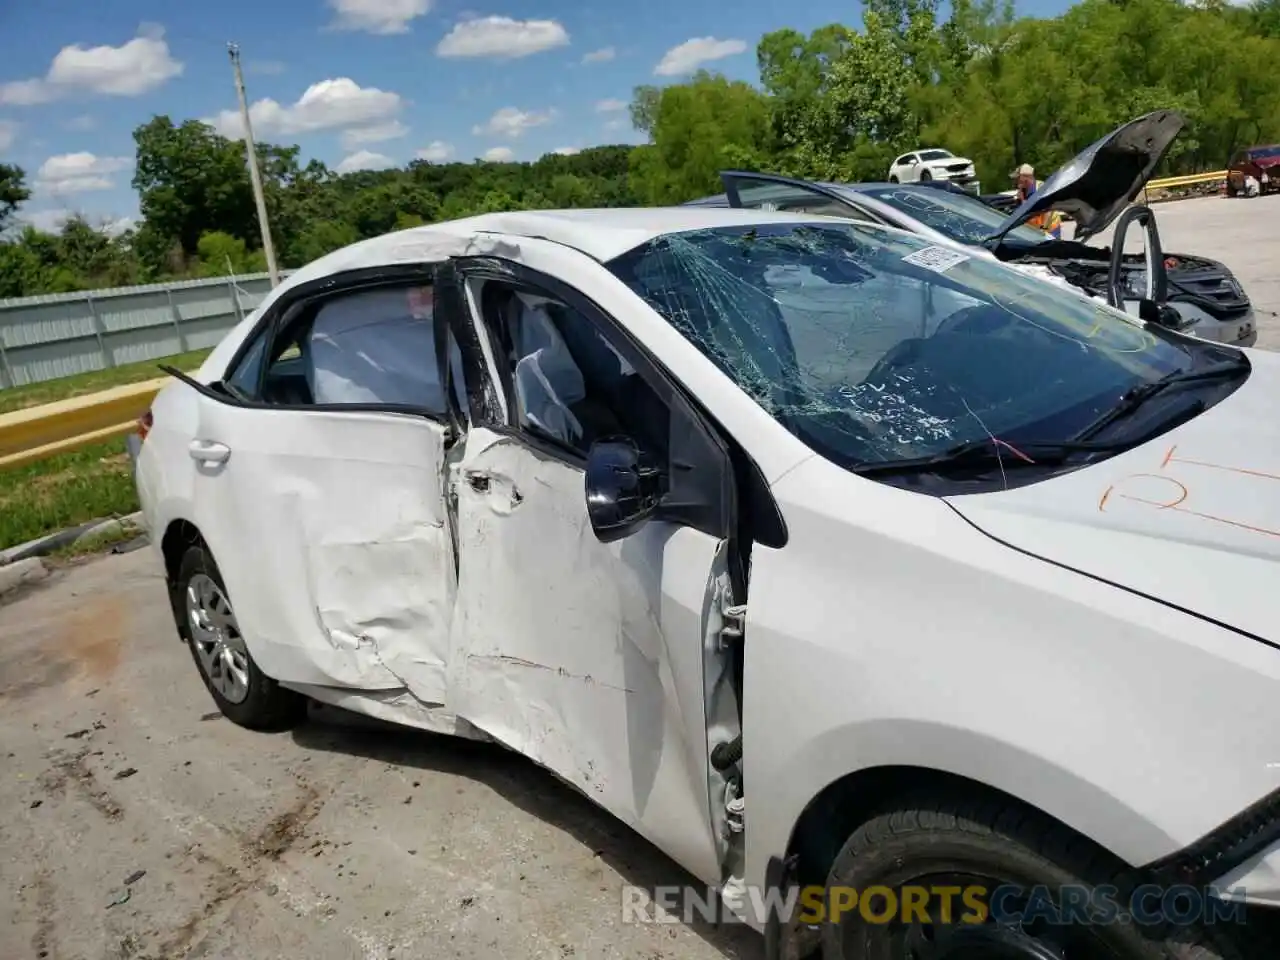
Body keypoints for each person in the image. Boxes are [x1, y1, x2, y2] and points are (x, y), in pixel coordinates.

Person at [1012, 162, 1064, 239]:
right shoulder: (1022, 190)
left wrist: (1044, 230)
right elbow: (1023, 211)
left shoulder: (1040, 188)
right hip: (1036, 229)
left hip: (1050, 226)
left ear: (1026, 178)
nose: (1016, 181)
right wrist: (1021, 199)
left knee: (1052, 248)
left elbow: (1048, 210)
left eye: (1018, 178)